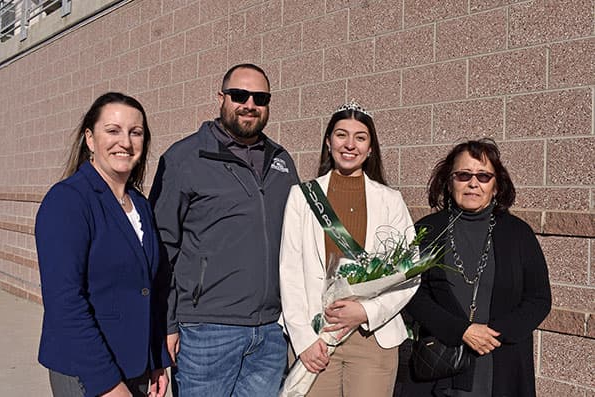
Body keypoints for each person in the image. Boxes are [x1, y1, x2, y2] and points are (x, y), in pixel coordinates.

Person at [149, 63, 299, 396]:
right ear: (221, 98)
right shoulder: (184, 157)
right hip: (205, 332)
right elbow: (160, 248)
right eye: (239, 95)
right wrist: (166, 324)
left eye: (260, 97)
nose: (250, 104)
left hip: (271, 332)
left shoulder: (282, 161)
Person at [279, 100, 419, 396]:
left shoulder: (390, 200)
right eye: (341, 134)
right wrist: (303, 339)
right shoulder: (303, 197)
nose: (350, 144)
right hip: (317, 336)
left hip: (372, 338)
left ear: (370, 149)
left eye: (360, 137)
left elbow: (410, 272)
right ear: (328, 142)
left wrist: (365, 311)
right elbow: (289, 272)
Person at [35, 92, 170, 397]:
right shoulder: (68, 200)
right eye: (112, 130)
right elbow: (64, 303)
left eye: (135, 132)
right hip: (87, 371)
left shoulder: (139, 204)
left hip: (135, 365)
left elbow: (151, 287)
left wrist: (157, 359)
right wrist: (107, 384)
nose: (125, 141)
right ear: (90, 139)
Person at [398, 138, 551, 397]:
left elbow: (539, 299)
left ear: (496, 185)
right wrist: (462, 331)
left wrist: (494, 334)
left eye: (483, 176)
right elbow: (410, 293)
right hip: (440, 368)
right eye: (463, 175)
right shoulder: (428, 230)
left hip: (501, 363)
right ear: (449, 181)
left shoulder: (518, 234)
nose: (473, 183)